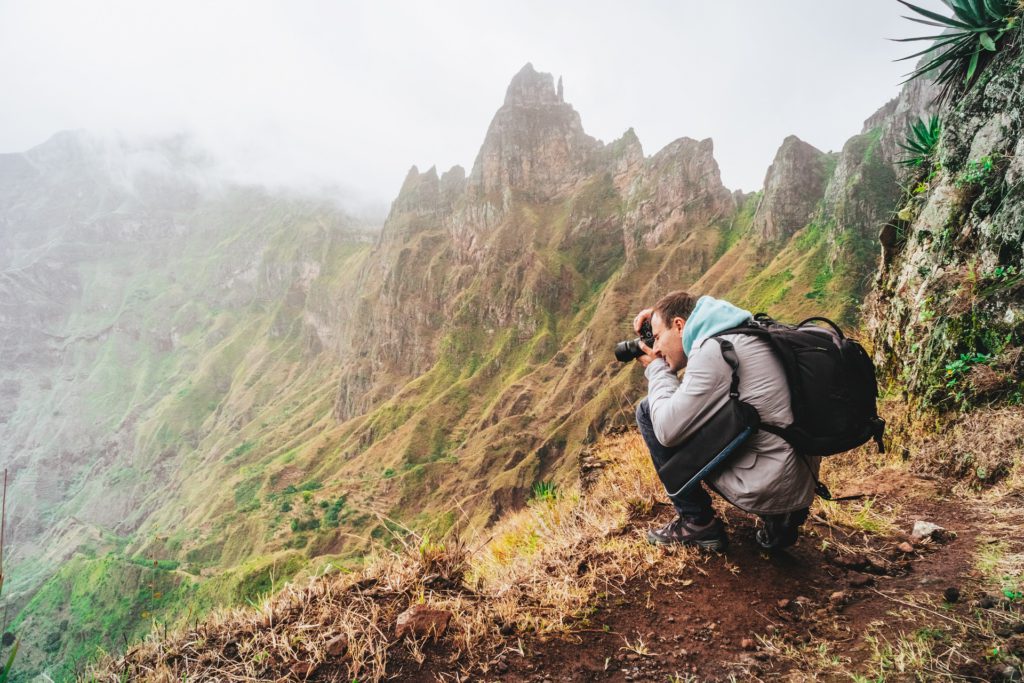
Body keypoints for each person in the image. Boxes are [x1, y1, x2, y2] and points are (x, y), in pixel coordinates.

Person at [633, 291, 819, 551]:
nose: (655, 349)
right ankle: (778, 517)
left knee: (647, 411)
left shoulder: (714, 352)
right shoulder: (741, 328)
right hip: (796, 475)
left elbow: (666, 430)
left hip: (766, 483)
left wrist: (657, 369)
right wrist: (656, 317)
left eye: (657, 337)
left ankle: (696, 522)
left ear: (679, 325)